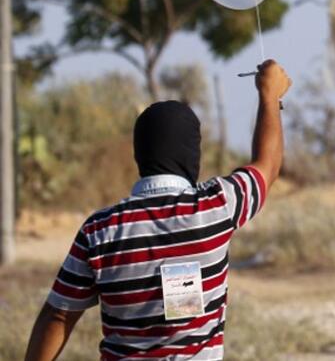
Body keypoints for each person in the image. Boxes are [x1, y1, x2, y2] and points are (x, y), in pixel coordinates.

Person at [23, 60, 292, 361]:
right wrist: (269, 96)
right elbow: (267, 167)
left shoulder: (99, 230)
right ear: (193, 154)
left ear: (140, 156)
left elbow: (58, 315)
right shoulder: (216, 207)